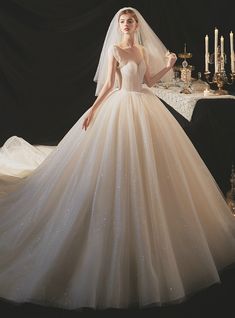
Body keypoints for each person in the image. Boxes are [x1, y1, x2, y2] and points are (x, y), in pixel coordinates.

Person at [0, 6, 235, 310]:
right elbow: (110, 85)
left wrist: (168, 65)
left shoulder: (139, 48)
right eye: (123, 21)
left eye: (131, 21)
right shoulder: (115, 49)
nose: (127, 24)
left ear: (137, 25)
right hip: (121, 107)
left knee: (154, 166)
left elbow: (149, 81)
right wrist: (94, 111)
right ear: (120, 25)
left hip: (145, 107)